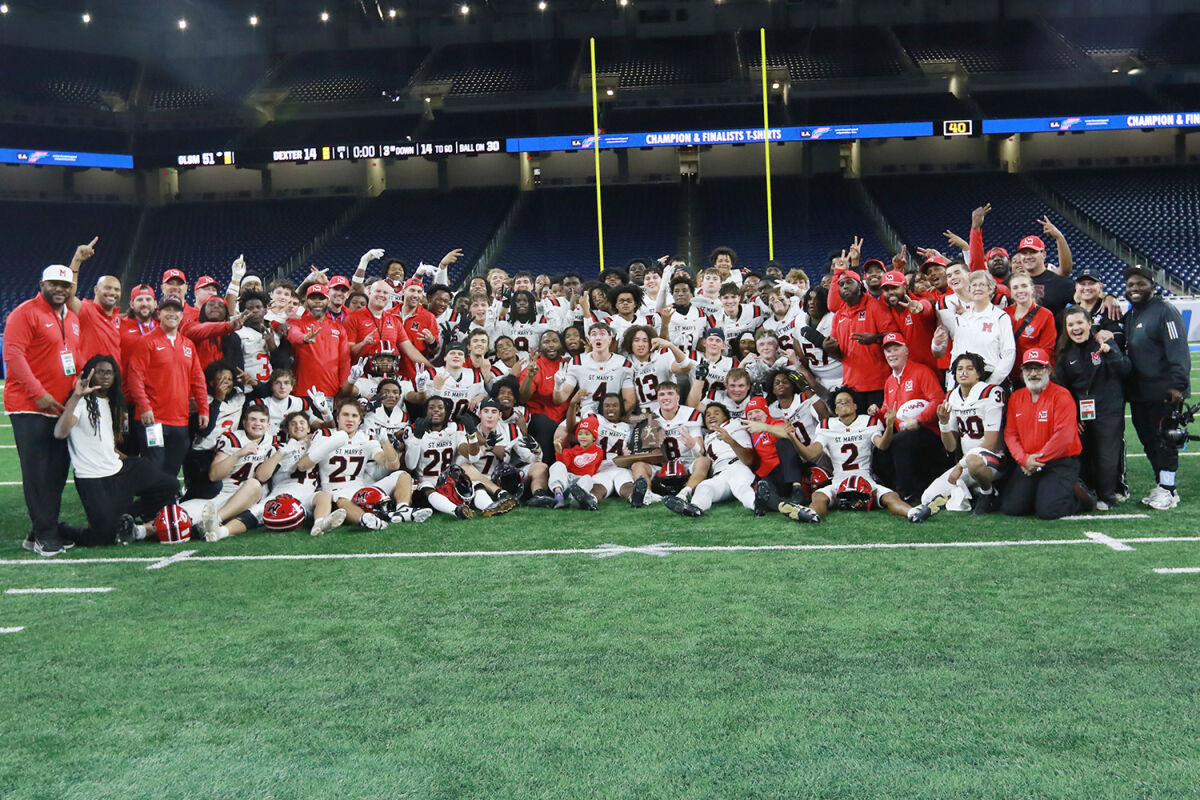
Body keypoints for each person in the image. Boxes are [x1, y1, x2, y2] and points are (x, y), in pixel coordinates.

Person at [53, 355, 178, 546]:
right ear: (90, 374)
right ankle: (60, 529)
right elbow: (60, 432)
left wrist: (132, 463)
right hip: (93, 478)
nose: (105, 376)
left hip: (119, 470)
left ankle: (127, 516)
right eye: (100, 371)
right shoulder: (81, 402)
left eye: (109, 372)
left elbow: (106, 444)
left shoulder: (111, 402)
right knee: (103, 537)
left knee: (170, 485)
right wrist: (77, 395)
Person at [4, 264, 83, 555]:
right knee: (37, 473)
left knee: (56, 471)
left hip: (60, 407)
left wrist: (78, 385)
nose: (60, 290)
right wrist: (38, 393)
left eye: (65, 286)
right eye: (54, 285)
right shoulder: (24, 313)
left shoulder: (72, 319)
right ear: (41, 285)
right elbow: (13, 355)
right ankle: (45, 533)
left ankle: (39, 529)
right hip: (30, 407)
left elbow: (74, 356)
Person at [1123, 265, 1190, 510]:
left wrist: (1177, 386)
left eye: (1140, 283)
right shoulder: (1131, 315)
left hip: (1163, 393)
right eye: (1130, 285)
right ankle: (1161, 485)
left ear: (1153, 285)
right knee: (1150, 442)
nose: (1135, 289)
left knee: (1166, 441)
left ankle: (1170, 490)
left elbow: (1178, 350)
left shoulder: (1165, 312)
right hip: (1140, 393)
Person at [790, 387, 912, 522]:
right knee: (818, 496)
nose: (843, 404)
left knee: (892, 497)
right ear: (835, 410)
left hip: (866, 480)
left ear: (855, 406)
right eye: (839, 402)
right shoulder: (826, 425)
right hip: (838, 481)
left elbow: (882, 444)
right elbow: (810, 453)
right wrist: (793, 439)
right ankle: (811, 514)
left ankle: (912, 513)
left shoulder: (868, 421)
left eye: (847, 401)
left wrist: (889, 427)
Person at [1001, 348, 1093, 519]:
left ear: (1048, 370)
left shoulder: (1062, 396)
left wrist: (1036, 461)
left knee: (1048, 511)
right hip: (1028, 462)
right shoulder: (1016, 398)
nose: (1033, 373)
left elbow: (1064, 436)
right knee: (1012, 508)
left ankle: (1079, 496)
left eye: (1039, 368)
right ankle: (1044, 493)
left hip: (1058, 463)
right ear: (1022, 372)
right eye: (1029, 369)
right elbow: (1010, 434)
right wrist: (1023, 459)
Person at [125, 295, 209, 481]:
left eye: (176, 310)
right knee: (154, 468)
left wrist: (204, 408)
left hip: (180, 420)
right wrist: (145, 407)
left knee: (171, 470)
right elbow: (135, 376)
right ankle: (150, 509)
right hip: (153, 419)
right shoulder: (147, 341)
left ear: (181, 315)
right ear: (159, 313)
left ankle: (164, 508)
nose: (172, 313)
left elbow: (198, 379)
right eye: (167, 309)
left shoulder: (187, 344)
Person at [1055, 305, 1131, 509]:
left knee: (1107, 455)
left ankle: (1107, 495)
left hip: (1108, 410)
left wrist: (1110, 354)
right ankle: (1086, 492)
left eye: (1080, 322)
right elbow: (1063, 390)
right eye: (1070, 324)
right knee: (1083, 453)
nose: (1076, 328)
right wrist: (1072, 416)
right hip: (1081, 413)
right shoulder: (1064, 352)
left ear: (1090, 324)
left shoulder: (1103, 342)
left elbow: (1126, 370)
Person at [915, 352, 1006, 517]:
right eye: (959, 369)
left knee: (974, 462)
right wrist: (943, 423)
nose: (963, 372)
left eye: (970, 369)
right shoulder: (952, 396)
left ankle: (988, 493)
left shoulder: (991, 393)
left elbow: (991, 442)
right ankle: (973, 491)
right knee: (927, 497)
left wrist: (959, 466)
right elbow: (951, 446)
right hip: (967, 463)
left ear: (979, 374)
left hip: (994, 459)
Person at [873, 333, 945, 505]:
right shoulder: (890, 381)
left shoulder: (921, 372)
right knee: (880, 447)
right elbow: (888, 411)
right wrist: (877, 412)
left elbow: (938, 400)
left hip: (928, 431)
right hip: (904, 434)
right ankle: (891, 489)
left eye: (896, 349)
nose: (891, 354)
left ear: (906, 351)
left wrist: (919, 420)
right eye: (888, 351)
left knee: (899, 442)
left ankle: (906, 492)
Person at [664, 403, 757, 517]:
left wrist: (730, 440)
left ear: (725, 417)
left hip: (738, 467)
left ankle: (756, 505)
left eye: (716, 413)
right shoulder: (707, 437)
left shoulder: (735, 424)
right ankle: (694, 508)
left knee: (741, 488)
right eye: (707, 415)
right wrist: (693, 446)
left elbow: (749, 459)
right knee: (704, 486)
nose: (711, 416)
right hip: (720, 474)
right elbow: (702, 457)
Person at [554, 322, 636, 417]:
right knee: (561, 432)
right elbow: (560, 399)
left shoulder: (623, 364)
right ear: (589, 340)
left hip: (613, 416)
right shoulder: (578, 362)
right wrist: (558, 385)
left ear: (610, 339)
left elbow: (630, 401)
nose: (598, 337)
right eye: (594, 334)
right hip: (586, 415)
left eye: (602, 334)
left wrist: (613, 418)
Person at [282, 284, 350, 397]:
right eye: (313, 298)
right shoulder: (296, 322)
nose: (317, 301)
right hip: (302, 392)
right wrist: (303, 338)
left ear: (328, 301)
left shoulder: (339, 328)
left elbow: (344, 361)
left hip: (331, 392)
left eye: (321, 298)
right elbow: (293, 335)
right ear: (306, 301)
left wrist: (343, 389)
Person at [1004, 271, 1057, 386]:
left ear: (1032, 289)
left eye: (1024, 286)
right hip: (1007, 375)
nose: (1020, 291)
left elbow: (1047, 350)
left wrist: (1031, 373)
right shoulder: (1004, 314)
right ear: (1011, 293)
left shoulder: (1045, 315)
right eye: (1015, 287)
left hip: (1033, 376)